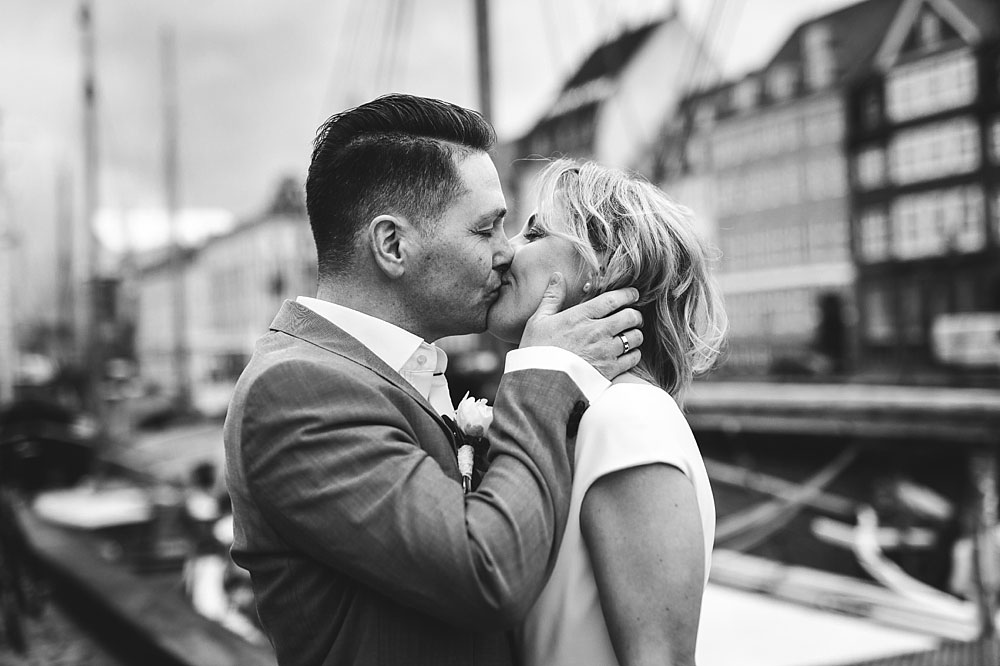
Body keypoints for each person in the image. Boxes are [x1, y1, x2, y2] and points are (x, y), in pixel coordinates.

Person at [223, 95, 644, 666]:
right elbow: (485, 572)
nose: (507, 252)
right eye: (486, 229)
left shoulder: (382, 372)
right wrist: (546, 375)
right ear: (393, 245)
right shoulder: (296, 389)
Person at [487, 159, 727, 666]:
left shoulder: (627, 419)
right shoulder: (583, 417)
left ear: (604, 268)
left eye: (534, 233)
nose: (507, 250)